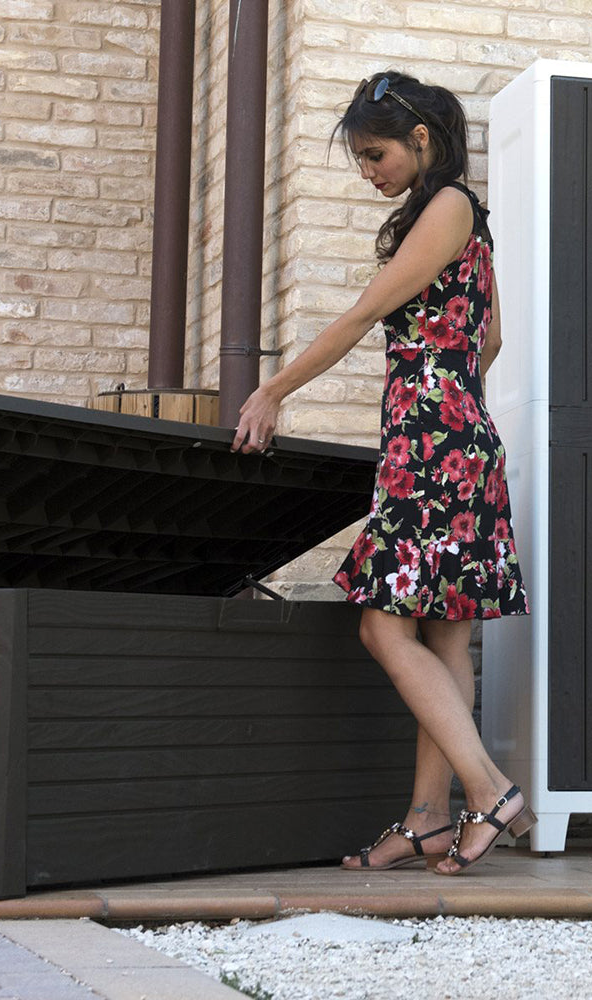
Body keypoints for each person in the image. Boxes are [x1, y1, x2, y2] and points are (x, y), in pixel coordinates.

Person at [231, 71, 534, 876]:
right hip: (458, 436)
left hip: (433, 444)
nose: (369, 172)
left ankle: (490, 790)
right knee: (443, 631)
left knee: (381, 625)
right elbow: (491, 340)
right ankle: (429, 819)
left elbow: (365, 313)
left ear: (421, 139)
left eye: (376, 155)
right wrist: (452, 394)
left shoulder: (449, 206)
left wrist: (273, 390)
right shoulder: (469, 220)